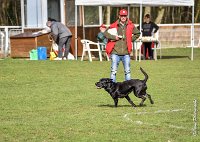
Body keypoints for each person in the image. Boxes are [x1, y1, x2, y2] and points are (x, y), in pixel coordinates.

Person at [104, 9, 140, 82]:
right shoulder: (114, 25)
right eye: (122, 16)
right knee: (113, 71)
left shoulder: (130, 25)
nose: (123, 17)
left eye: (125, 16)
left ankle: (128, 87)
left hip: (126, 53)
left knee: (127, 71)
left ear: (126, 16)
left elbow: (138, 33)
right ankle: (113, 87)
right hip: (115, 53)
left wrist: (130, 39)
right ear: (119, 16)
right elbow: (105, 33)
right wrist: (114, 37)